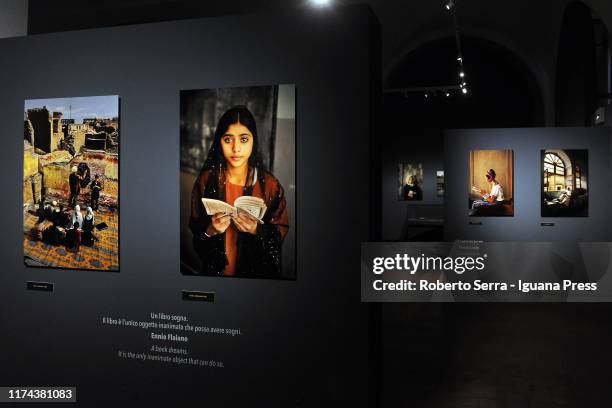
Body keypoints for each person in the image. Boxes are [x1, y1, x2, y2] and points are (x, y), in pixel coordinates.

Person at [189, 105, 289, 278]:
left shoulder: (270, 186)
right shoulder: (206, 180)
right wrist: (210, 230)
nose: (236, 148)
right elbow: (197, 232)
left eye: (243, 139)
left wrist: (258, 230)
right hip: (215, 275)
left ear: (253, 141)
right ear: (219, 142)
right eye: (228, 139)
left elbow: (280, 232)